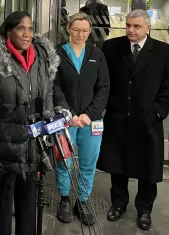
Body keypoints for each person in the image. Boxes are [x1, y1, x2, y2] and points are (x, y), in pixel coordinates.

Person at [0, 11, 60, 235]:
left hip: (31, 146)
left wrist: (46, 125)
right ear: (8, 31)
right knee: (0, 208)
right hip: (2, 146)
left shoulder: (41, 55)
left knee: (28, 206)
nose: (27, 34)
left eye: (30, 28)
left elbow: (47, 93)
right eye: (21, 28)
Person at [97, 9, 169, 231]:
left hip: (148, 120)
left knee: (148, 168)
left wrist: (158, 111)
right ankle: (118, 204)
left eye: (136, 26)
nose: (131, 30)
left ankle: (144, 209)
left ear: (148, 27)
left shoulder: (165, 52)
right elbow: (103, 80)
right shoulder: (111, 48)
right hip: (118, 117)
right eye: (128, 26)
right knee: (118, 166)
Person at [53, 13, 110, 226]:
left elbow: (104, 87)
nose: (81, 34)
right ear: (68, 28)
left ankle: (83, 201)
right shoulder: (57, 53)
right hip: (65, 119)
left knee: (88, 162)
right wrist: (69, 113)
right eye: (76, 29)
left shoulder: (97, 54)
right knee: (64, 161)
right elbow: (54, 86)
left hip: (91, 121)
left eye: (85, 30)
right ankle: (65, 200)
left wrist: (90, 114)